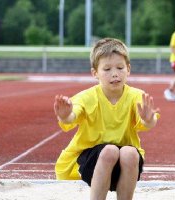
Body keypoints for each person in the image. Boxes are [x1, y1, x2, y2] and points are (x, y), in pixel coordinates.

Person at [54, 38, 160, 200]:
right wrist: (65, 115)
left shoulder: (137, 96)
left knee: (130, 152)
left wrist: (148, 119)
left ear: (128, 69)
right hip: (88, 163)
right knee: (109, 150)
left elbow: (147, 123)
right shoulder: (87, 97)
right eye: (107, 69)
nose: (115, 73)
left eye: (120, 67)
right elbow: (71, 117)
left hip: (124, 166)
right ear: (95, 73)